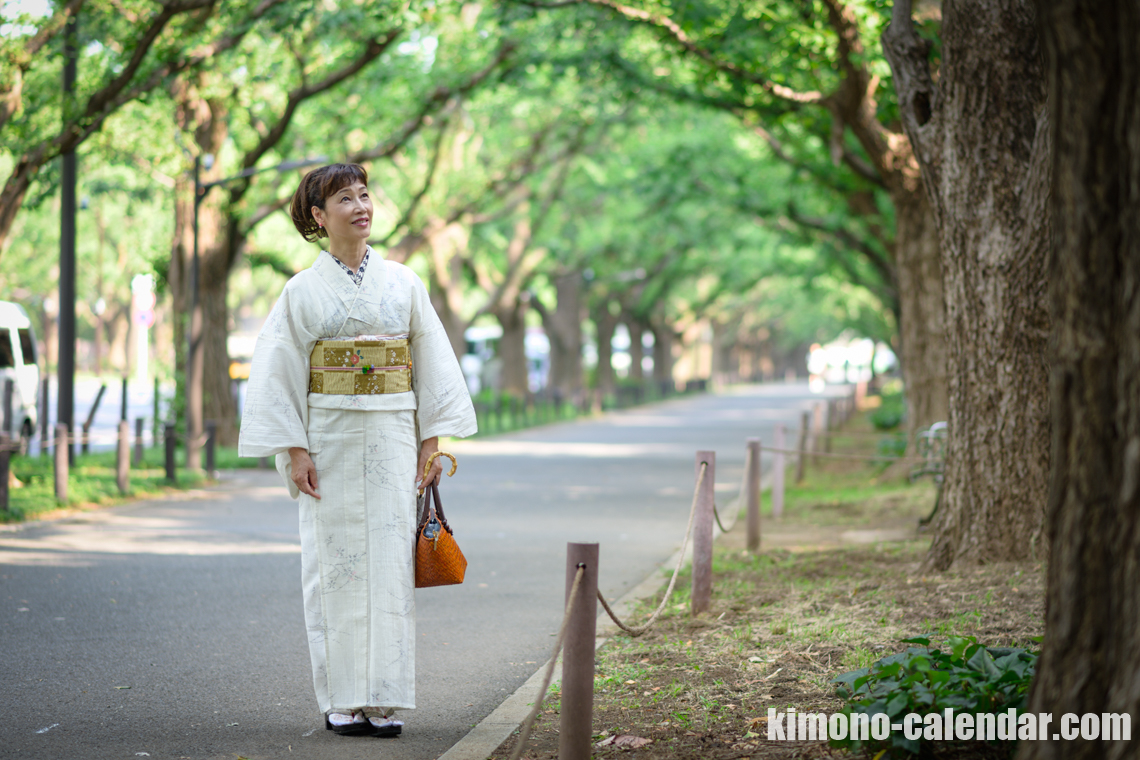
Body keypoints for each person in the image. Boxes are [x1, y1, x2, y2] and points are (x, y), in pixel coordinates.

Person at [238, 163, 477, 737]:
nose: (361, 205)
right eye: (345, 198)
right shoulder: (301, 290)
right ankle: (342, 697)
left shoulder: (404, 283)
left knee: (390, 567)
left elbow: (432, 363)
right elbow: (278, 372)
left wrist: (430, 441)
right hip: (330, 441)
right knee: (335, 567)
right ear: (320, 217)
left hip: (393, 434)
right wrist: (295, 451)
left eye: (365, 194)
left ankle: (384, 701)